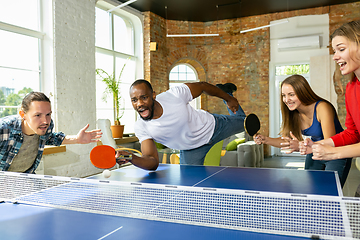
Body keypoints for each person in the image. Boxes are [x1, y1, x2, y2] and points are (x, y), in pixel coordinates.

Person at [116, 80, 246, 170]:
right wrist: (129, 157)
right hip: (191, 150)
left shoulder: (174, 95)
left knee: (244, 123)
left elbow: (202, 86)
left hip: (212, 127)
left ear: (153, 95)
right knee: (190, 188)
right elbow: (152, 161)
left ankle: (227, 92)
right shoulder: (141, 127)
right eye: (134, 100)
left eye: (144, 97)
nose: (139, 104)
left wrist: (229, 99)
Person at [254, 74, 352, 187]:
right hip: (314, 152)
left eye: (291, 95)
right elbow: (286, 141)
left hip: (336, 153)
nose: (286, 100)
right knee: (311, 189)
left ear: (302, 92)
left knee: (330, 192)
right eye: (283, 95)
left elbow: (329, 144)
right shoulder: (293, 113)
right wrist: (265, 139)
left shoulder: (322, 108)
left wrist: (300, 145)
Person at [299, 20, 360, 195]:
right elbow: (353, 133)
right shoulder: (351, 88)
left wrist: (333, 154)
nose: (335, 57)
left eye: (341, 49)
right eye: (335, 51)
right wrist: (319, 144)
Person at [0, 92, 102, 173]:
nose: (45, 121)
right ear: (23, 114)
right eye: (38, 115)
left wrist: (77, 139)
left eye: (48, 114)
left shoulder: (45, 126)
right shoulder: (4, 128)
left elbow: (50, 138)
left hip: (27, 177)